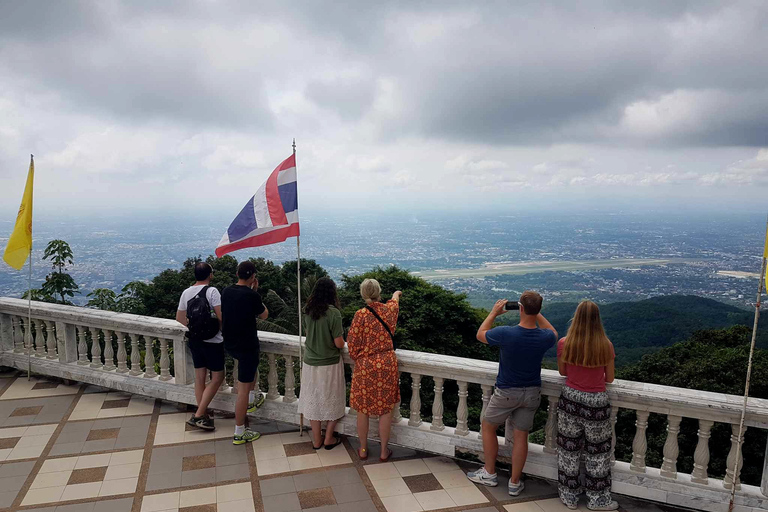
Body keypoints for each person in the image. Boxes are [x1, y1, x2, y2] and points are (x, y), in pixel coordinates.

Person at [467, 291, 557, 496]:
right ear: (538, 310)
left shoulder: (506, 333)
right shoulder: (544, 337)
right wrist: (535, 312)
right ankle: (514, 482)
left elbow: (480, 334)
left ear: (520, 309)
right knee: (521, 437)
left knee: (488, 426)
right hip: (532, 393)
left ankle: (490, 473)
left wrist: (493, 313)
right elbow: (553, 331)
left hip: (507, 391)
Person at [556, 301, 617, 511]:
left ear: (576, 317)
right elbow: (610, 378)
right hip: (596, 402)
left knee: (568, 450)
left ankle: (569, 496)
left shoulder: (565, 343)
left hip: (570, 399)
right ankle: (597, 500)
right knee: (598, 453)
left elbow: (563, 372)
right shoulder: (605, 345)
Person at [348, 279, 402, 462]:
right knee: (385, 410)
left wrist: (363, 359)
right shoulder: (389, 311)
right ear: (379, 292)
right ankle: (383, 451)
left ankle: (363, 449)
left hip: (365, 366)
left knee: (363, 409)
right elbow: (394, 301)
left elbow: (353, 346)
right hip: (387, 364)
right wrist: (396, 294)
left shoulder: (360, 315)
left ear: (363, 294)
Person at [221, 261, 269, 445]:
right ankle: (239, 431)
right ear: (252, 277)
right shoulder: (251, 296)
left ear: (237, 274)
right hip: (247, 345)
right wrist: (255, 291)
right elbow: (264, 314)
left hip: (230, 343)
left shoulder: (226, 291)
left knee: (247, 381)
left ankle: (250, 399)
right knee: (242, 389)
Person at [297, 277, 346, 449]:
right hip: (330, 363)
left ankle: (317, 439)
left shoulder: (307, 310)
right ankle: (329, 438)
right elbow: (339, 343)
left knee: (313, 400)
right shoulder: (334, 313)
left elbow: (308, 333)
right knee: (334, 398)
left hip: (310, 362)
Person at [175, 262, 224, 431]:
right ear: (210, 274)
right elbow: (220, 316)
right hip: (213, 341)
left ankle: (203, 415)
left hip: (195, 340)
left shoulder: (186, 293)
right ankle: (198, 414)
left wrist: (195, 327)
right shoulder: (212, 291)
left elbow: (180, 318)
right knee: (217, 377)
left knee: (200, 378)